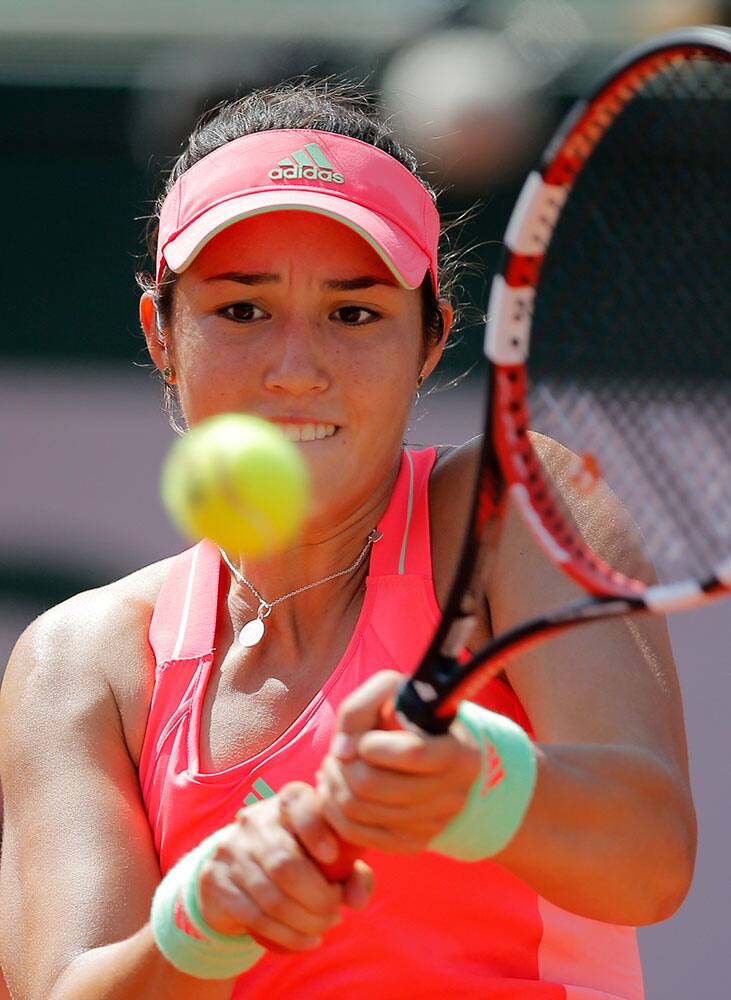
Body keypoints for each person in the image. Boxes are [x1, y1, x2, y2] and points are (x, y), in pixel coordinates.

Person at [0, 82, 695, 1000]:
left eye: (354, 313)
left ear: (430, 339)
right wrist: (202, 924)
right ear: (160, 334)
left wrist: (476, 787)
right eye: (241, 311)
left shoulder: (508, 506)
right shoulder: (80, 660)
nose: (295, 370)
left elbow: (649, 859)